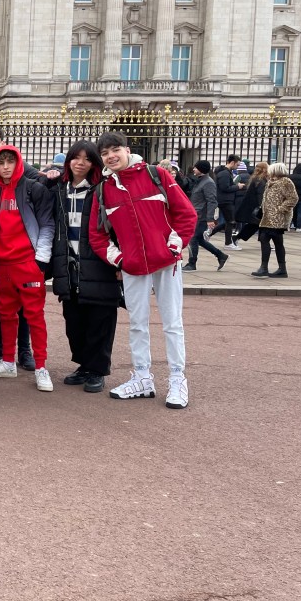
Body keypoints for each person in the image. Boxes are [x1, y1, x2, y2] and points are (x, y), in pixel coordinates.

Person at [89, 130, 198, 409]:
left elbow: (186, 214)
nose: (111, 157)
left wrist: (173, 247)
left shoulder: (155, 175)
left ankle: (177, 378)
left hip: (166, 261)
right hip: (133, 266)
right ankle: (142, 377)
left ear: (127, 150)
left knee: (172, 323)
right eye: (105, 153)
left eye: (115, 150)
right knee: (137, 324)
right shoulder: (103, 189)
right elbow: (97, 235)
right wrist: (120, 260)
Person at [0, 146, 55, 392]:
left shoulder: (34, 189)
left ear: (18, 162)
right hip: (0, 264)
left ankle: (41, 367)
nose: (5, 167)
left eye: (10, 162)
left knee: (35, 316)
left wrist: (41, 259)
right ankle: (8, 361)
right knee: (5, 314)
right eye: (1, 163)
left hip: (26, 263)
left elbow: (47, 224)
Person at [49, 141, 120, 394]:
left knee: (100, 321)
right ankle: (84, 365)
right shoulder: (58, 189)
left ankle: (97, 369)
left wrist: (120, 261)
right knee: (74, 322)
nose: (80, 163)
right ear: (68, 161)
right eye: (76, 158)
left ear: (94, 163)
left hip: (99, 264)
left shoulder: (104, 189)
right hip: (69, 265)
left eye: (87, 159)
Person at [253, 163, 298, 279]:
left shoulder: (285, 181)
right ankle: (281, 269)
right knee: (277, 242)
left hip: (277, 218)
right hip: (267, 217)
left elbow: (293, 198)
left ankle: (264, 268)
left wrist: (281, 209)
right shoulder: (271, 182)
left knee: (264, 239)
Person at [183, 160, 228, 272]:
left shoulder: (208, 182)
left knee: (193, 238)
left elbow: (212, 201)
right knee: (199, 239)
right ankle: (221, 255)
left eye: (196, 167)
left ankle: (192, 263)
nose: (193, 169)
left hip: (201, 216)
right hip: (197, 214)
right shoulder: (200, 181)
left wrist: (210, 219)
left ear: (201, 169)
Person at [206, 154, 243, 249]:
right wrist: (237, 187)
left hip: (226, 200)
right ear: (232, 162)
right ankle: (228, 243)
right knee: (230, 221)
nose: (237, 167)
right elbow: (225, 188)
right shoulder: (225, 174)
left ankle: (209, 233)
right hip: (225, 200)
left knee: (229, 221)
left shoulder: (226, 173)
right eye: (237, 165)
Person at [235, 162, 269, 244]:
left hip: (251, 205)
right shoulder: (261, 180)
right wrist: (262, 205)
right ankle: (264, 242)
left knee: (256, 225)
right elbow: (260, 194)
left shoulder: (255, 178)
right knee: (259, 224)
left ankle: (237, 237)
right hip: (257, 206)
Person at [290, 163, 301, 232]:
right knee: (300, 212)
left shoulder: (290, 177)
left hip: (292, 196)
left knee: (291, 211)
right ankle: (299, 227)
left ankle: (288, 225)